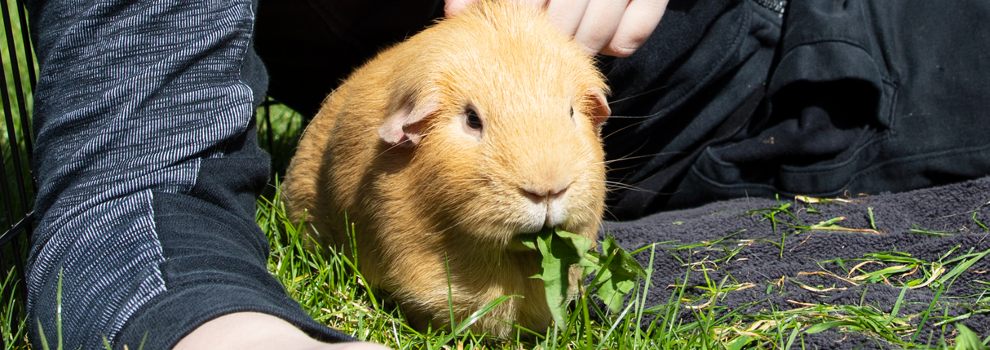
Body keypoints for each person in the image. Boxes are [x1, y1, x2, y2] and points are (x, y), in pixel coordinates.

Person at [25, 0, 667, 348]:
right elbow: (124, 191)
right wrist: (221, 326)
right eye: (468, 123)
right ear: (407, 129)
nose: (544, 179)